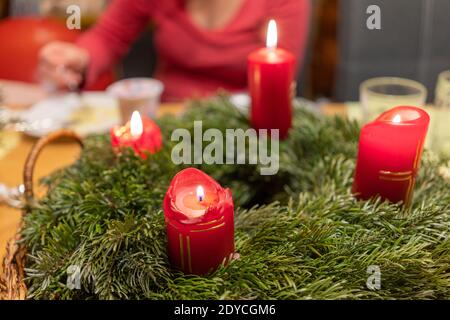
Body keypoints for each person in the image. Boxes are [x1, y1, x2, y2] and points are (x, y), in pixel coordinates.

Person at [38, 0, 310, 102]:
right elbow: (110, 35)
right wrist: (80, 58)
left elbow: (279, 80)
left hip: (245, 131)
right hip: (168, 121)